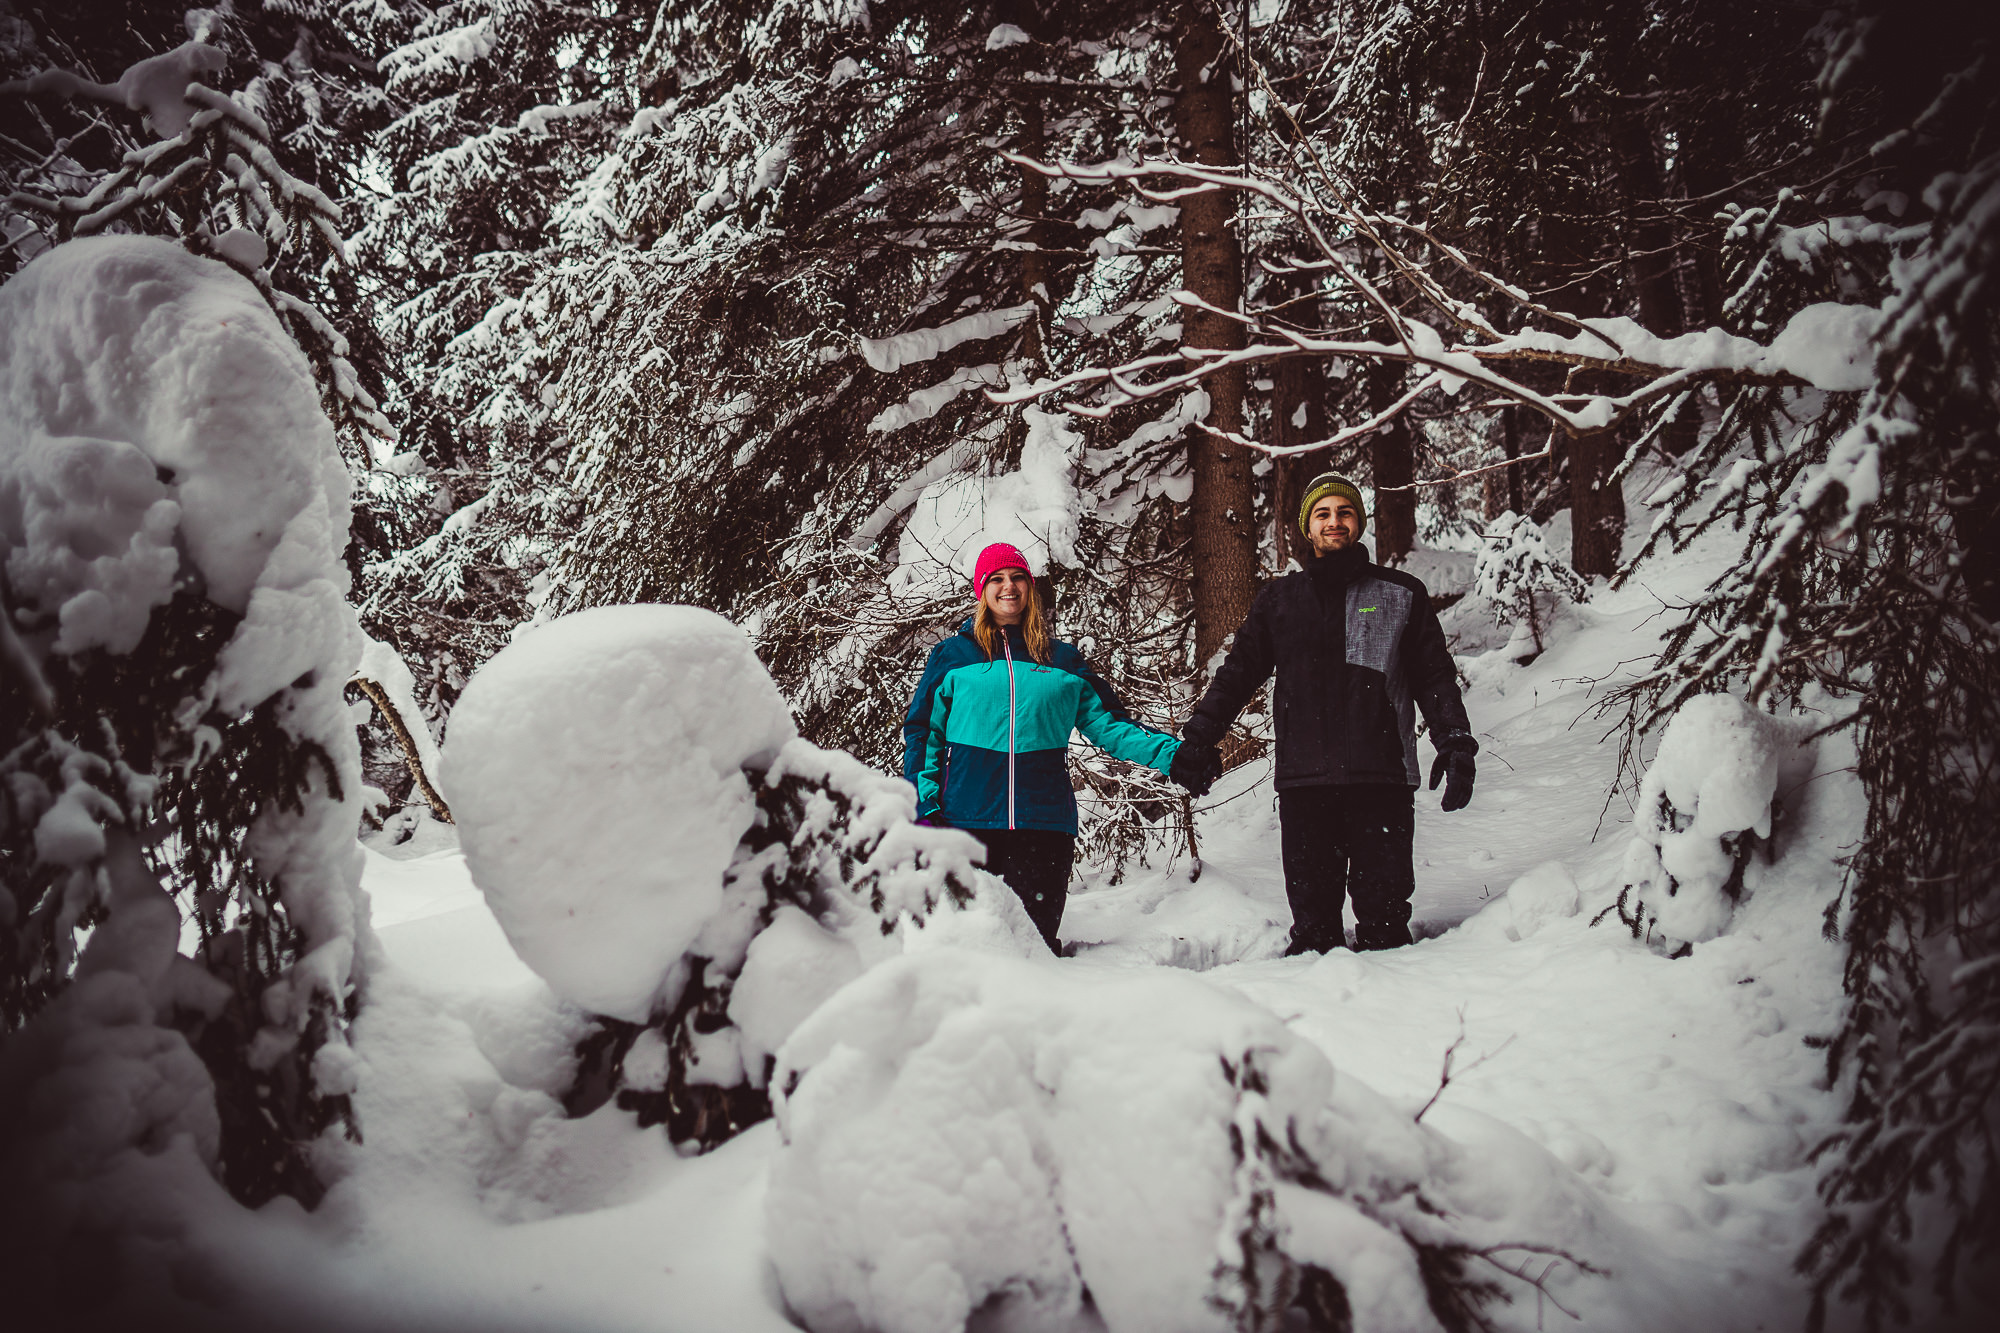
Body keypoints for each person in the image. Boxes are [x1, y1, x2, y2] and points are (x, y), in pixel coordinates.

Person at [1175, 473, 1477, 954]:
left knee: (1385, 925)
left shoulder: (1401, 593)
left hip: (1383, 780)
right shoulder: (1279, 601)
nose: (1334, 521)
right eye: (1323, 513)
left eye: (1344, 512)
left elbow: (1433, 676)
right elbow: (1237, 675)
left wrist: (1456, 742)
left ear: (1358, 523)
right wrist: (1198, 740)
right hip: (1306, 783)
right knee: (1313, 930)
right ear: (1307, 528)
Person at [903, 542, 1210, 950]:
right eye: (996, 578)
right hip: (966, 823)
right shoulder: (953, 656)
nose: (1007, 586)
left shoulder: (1061, 660)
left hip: (1044, 827)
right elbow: (923, 734)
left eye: (1017, 578)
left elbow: (1110, 726)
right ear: (981, 589)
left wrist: (1175, 757)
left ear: (1030, 588)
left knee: (1035, 947)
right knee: (969, 949)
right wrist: (927, 808)